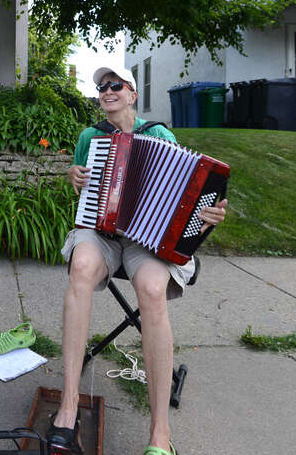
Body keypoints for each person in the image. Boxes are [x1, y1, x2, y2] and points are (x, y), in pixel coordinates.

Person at [46, 65, 228, 455]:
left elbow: (186, 196)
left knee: (150, 288)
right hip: (102, 232)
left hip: (148, 241)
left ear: (131, 94)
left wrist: (206, 212)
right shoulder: (90, 136)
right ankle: (68, 404)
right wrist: (74, 177)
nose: (106, 91)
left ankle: (160, 433)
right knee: (80, 269)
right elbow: (78, 187)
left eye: (115, 85)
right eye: (101, 87)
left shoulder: (158, 134)